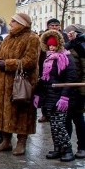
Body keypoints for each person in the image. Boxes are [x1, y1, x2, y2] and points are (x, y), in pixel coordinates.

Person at [0, 13, 40, 156]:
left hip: (20, 83)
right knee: (3, 112)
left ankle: (21, 142)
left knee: (21, 112)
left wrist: (7, 64)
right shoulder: (8, 38)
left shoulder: (32, 38)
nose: (10, 23)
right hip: (3, 82)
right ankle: (6, 140)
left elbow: (30, 61)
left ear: (22, 23)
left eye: (14, 21)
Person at [33, 31, 77, 161]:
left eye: (54, 45)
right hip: (49, 97)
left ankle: (67, 149)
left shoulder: (66, 58)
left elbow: (71, 78)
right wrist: (38, 94)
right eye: (49, 45)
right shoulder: (47, 59)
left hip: (60, 97)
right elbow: (44, 79)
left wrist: (65, 97)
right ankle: (58, 148)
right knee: (53, 125)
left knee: (59, 125)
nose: (51, 47)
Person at [63, 24, 85, 158]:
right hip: (67, 88)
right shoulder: (67, 47)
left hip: (78, 89)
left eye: (72, 32)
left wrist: (82, 89)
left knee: (78, 119)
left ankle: (82, 146)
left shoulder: (82, 47)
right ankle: (67, 147)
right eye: (67, 32)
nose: (69, 34)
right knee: (66, 119)